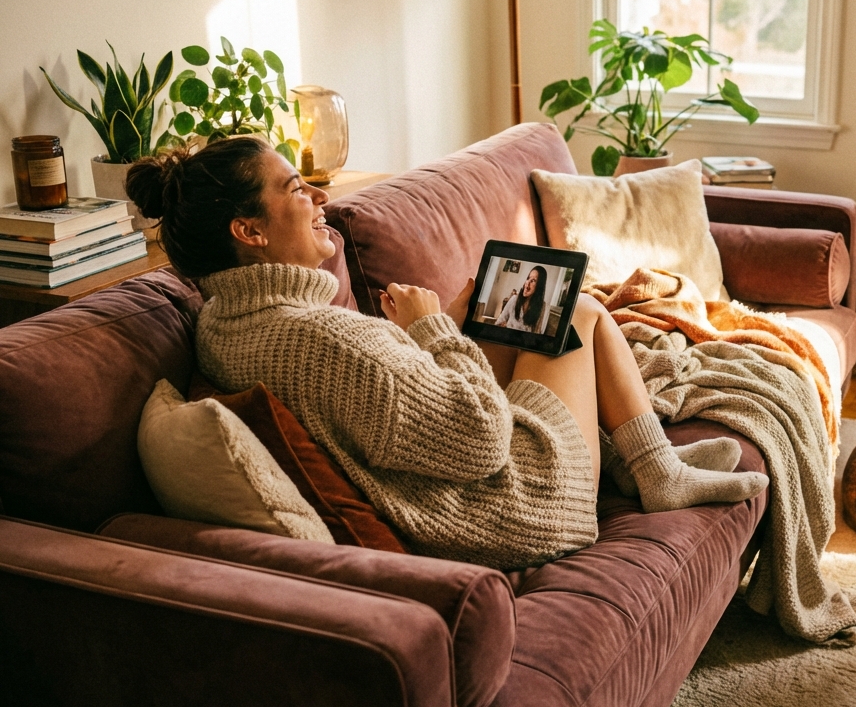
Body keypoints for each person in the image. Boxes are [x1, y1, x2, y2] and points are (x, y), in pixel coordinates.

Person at [126, 137, 768, 570]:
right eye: (296, 189)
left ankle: (640, 461)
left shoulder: (223, 323)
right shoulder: (317, 335)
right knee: (575, 308)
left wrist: (446, 326)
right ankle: (656, 471)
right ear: (249, 231)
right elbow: (481, 440)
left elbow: (363, 401)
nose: (320, 198)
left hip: (458, 472)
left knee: (528, 299)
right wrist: (435, 332)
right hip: (523, 499)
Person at [495, 265, 549, 334]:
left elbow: (537, 336)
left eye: (533, 281)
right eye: (528, 278)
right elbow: (498, 323)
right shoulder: (514, 299)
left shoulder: (543, 308)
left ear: (539, 286)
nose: (527, 284)